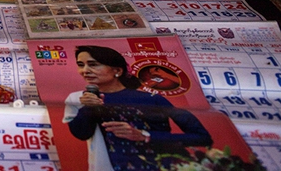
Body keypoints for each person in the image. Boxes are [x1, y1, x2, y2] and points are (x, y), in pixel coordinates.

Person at [63, 45, 212, 170]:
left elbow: (202, 138)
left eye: (93, 64)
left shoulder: (152, 99)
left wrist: (144, 136)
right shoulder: (78, 99)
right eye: (81, 65)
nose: (85, 70)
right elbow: (81, 134)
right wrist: (88, 107)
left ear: (117, 71)